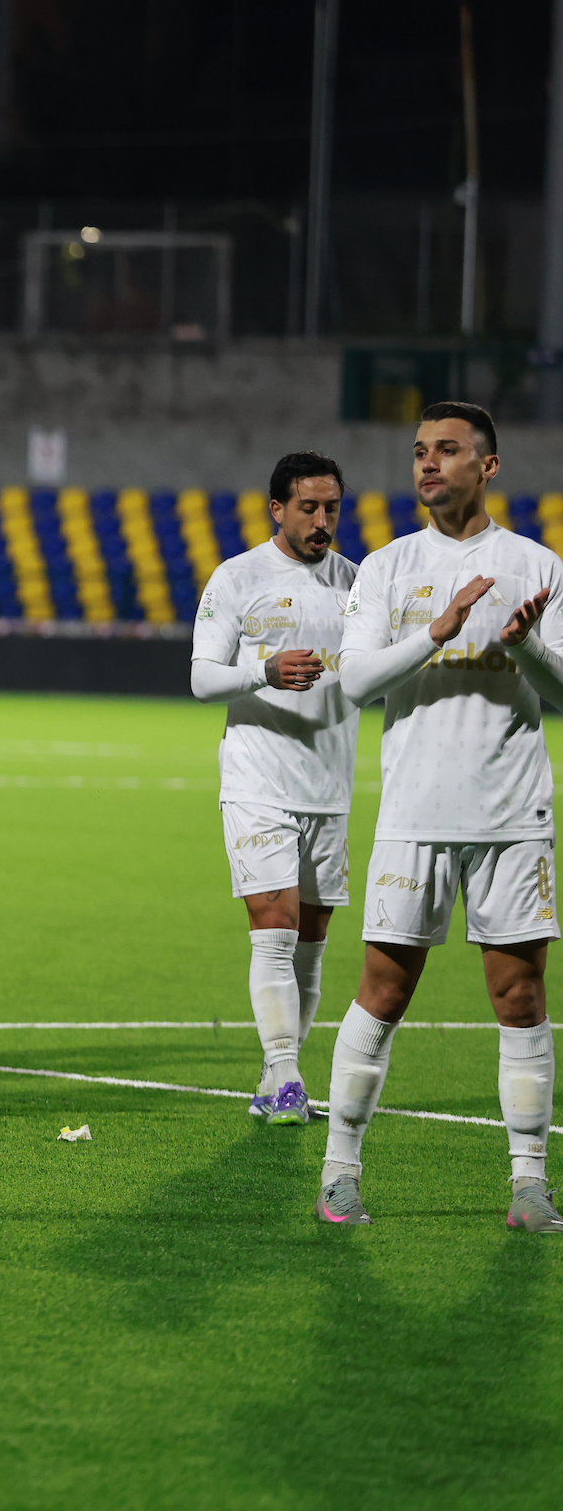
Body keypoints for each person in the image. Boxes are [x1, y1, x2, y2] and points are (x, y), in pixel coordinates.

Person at [315, 401, 563, 1231]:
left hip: (511, 812)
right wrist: (439, 628)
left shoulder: (537, 565)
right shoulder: (387, 568)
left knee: (519, 994)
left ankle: (529, 1184)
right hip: (414, 813)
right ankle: (339, 1170)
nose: (427, 464)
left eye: (447, 451)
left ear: (487, 467)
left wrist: (524, 644)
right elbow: (354, 683)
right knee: (381, 993)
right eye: (420, 451)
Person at [188, 452, 359, 1125]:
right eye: (309, 508)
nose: (322, 521)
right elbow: (203, 678)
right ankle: (288, 1076)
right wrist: (263, 670)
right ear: (277, 508)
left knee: (313, 942)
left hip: (329, 785)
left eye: (332, 508)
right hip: (259, 778)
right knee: (276, 930)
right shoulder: (237, 578)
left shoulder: (357, 583)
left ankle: (275, 1071)